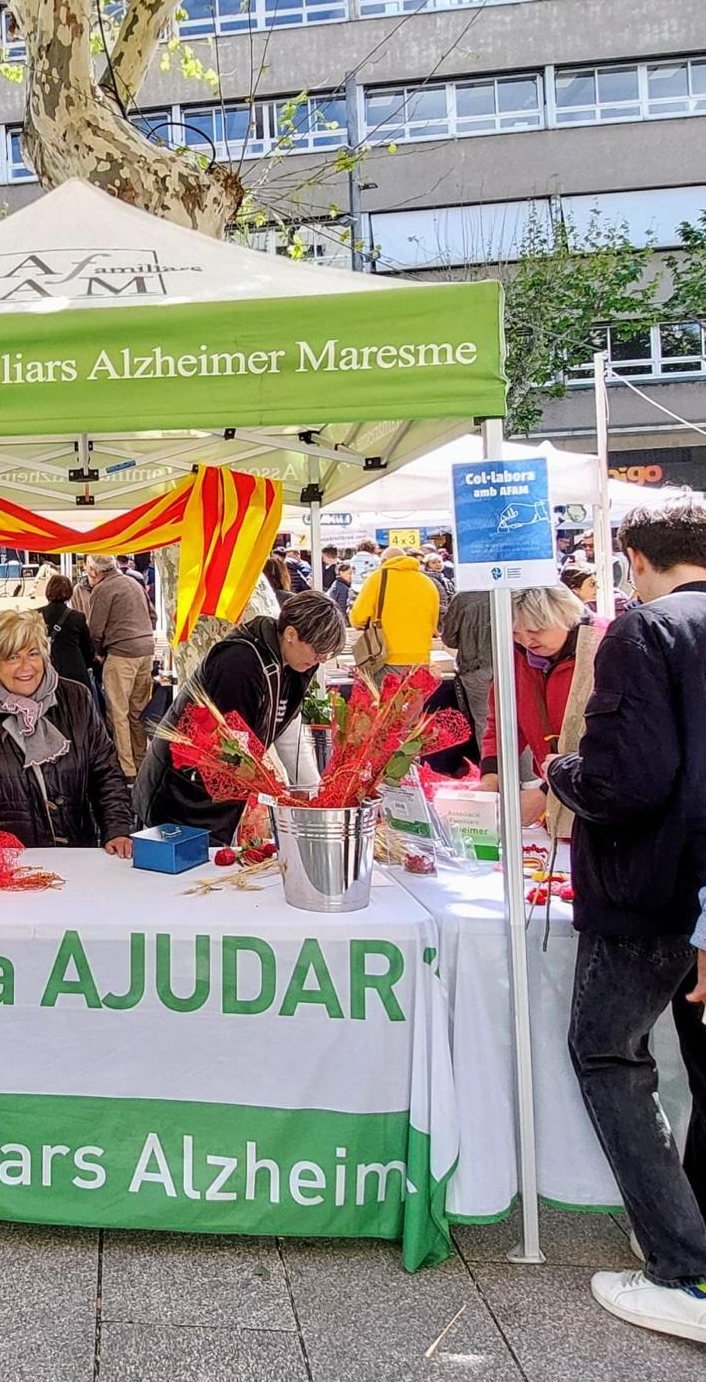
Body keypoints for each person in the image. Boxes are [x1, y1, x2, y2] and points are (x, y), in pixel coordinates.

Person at [544, 493, 706, 1343]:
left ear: (635, 561)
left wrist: (562, 770)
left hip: (653, 892)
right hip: (696, 896)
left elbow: (626, 780)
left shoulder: (645, 631)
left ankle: (683, 1268)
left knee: (608, 1055)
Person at [134, 592, 346, 847]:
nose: (320, 660)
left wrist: (313, 794)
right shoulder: (240, 662)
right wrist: (267, 790)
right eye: (318, 651)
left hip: (223, 797)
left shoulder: (298, 664)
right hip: (182, 791)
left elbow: (287, 724)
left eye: (327, 655)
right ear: (290, 634)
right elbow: (230, 745)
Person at [0, 608, 132, 855]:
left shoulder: (76, 698)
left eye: (33, 654)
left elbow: (105, 771)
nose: (26, 667)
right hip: (3, 863)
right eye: (12, 657)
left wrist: (117, 828)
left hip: (76, 857)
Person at [477, 584, 603, 828]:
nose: (525, 641)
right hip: (553, 786)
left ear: (564, 616)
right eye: (515, 632)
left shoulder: (603, 647)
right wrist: (491, 775)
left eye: (536, 630)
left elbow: (611, 740)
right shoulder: (515, 656)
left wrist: (547, 791)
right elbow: (503, 721)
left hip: (597, 792)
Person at [86, 553, 155, 780]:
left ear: (94, 572)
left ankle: (126, 769)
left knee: (118, 712)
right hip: (146, 651)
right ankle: (142, 761)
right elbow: (152, 616)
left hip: (121, 653)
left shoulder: (102, 589)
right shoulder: (133, 583)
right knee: (138, 712)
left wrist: (98, 654)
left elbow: (94, 630)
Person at [349, 545, 440, 678]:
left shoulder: (377, 578)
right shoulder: (427, 582)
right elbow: (433, 624)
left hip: (387, 658)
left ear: (384, 561)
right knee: (413, 699)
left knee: (385, 699)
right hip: (421, 660)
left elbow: (358, 618)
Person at [441, 590, 493, 745]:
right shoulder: (515, 591)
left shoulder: (463, 597)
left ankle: (491, 766)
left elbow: (449, 638)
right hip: (514, 664)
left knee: (484, 721)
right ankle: (524, 770)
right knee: (519, 722)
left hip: (474, 666)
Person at [39, 575, 96, 688]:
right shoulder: (77, 617)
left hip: (46, 671)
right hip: (74, 671)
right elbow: (88, 649)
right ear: (69, 592)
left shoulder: (36, 616)